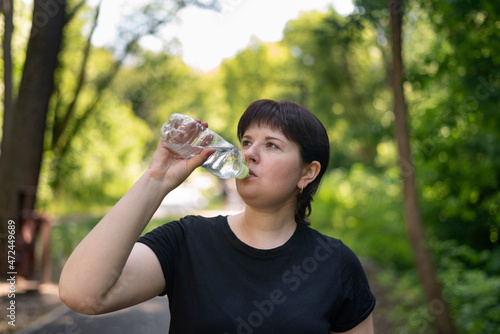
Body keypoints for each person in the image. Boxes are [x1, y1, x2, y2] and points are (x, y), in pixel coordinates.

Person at [59, 99, 376, 333]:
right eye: (247, 142)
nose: (249, 153)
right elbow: (82, 294)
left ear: (307, 172)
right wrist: (155, 181)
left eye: (272, 145)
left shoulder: (335, 263)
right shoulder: (187, 240)